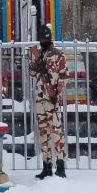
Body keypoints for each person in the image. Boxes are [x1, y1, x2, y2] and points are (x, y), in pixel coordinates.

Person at [29, 22, 68, 179]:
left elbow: (64, 76)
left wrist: (56, 91)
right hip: (39, 99)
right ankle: (46, 166)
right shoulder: (40, 55)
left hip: (51, 99)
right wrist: (36, 58)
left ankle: (60, 166)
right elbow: (33, 73)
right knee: (43, 133)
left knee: (56, 132)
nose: (43, 40)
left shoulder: (58, 55)